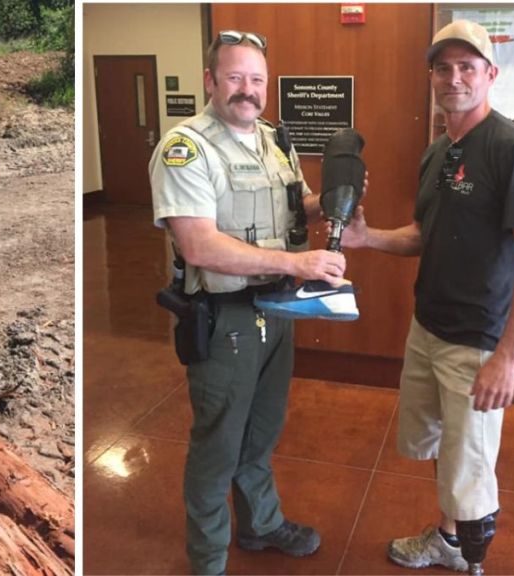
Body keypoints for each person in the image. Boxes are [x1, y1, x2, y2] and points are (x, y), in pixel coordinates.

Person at [339, 20, 514, 573]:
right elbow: (422, 235)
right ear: (432, 77)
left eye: (466, 67)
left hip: (477, 341)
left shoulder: (513, 149)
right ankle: (448, 537)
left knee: (473, 467)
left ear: (490, 74)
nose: (454, 77)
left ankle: (470, 559)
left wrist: (506, 357)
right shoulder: (437, 151)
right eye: (443, 67)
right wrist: (368, 239)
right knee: (445, 452)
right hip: (428, 328)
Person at [149, 31, 349, 575]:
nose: (247, 89)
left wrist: (327, 203)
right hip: (226, 322)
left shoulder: (273, 140)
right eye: (235, 77)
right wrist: (296, 264)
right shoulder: (185, 147)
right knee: (218, 445)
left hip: (278, 312)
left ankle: (260, 525)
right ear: (211, 81)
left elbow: (291, 210)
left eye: (257, 80)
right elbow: (199, 245)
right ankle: (209, 561)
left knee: (261, 432)